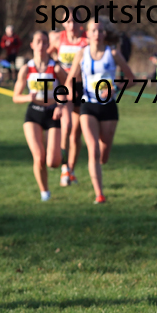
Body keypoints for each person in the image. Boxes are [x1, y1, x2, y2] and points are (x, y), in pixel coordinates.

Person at [64, 20, 135, 204]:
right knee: (93, 150)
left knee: (103, 155)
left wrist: (115, 89)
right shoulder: (81, 54)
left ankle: (100, 168)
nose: (97, 33)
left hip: (109, 107)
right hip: (88, 106)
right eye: (94, 30)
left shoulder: (113, 54)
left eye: (100, 30)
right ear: (87, 33)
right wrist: (70, 93)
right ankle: (99, 194)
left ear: (104, 34)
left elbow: (131, 79)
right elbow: (70, 79)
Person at [12, 30, 66, 201]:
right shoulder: (26, 69)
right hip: (33, 114)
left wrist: (60, 105)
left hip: (52, 114)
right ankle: (45, 192)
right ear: (32, 45)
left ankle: (60, 154)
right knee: (39, 157)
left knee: (53, 162)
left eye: (44, 42)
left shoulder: (55, 67)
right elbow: (15, 96)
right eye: (38, 42)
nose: (41, 45)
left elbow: (67, 89)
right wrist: (29, 97)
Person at [49, 17, 88, 187]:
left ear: (80, 23)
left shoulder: (86, 40)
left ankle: (71, 169)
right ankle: (64, 168)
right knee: (66, 127)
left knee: (76, 133)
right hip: (64, 85)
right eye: (67, 22)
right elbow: (46, 53)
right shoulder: (59, 39)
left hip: (81, 86)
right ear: (64, 24)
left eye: (74, 21)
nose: (71, 25)